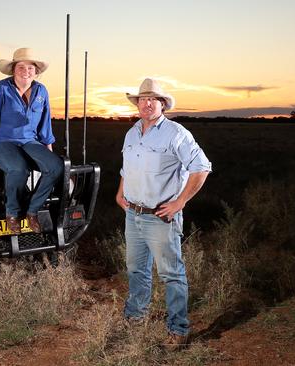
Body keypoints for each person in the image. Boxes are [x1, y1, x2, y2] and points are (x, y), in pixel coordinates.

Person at [115, 78, 212, 349]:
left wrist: (180, 202)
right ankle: (135, 319)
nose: (146, 103)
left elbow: (201, 167)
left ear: (162, 104)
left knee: (171, 274)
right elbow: (127, 168)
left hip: (160, 217)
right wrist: (120, 193)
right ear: (137, 104)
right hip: (132, 214)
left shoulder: (175, 133)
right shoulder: (132, 132)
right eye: (142, 99)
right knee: (136, 270)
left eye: (153, 99)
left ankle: (178, 329)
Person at [0, 48, 63, 235]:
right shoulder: (0, 90)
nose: (26, 71)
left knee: (56, 166)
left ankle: (32, 210)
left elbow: (45, 124)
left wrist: (48, 153)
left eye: (31, 67)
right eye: (21, 66)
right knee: (19, 169)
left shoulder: (41, 91)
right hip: (2, 141)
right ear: (13, 69)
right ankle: (12, 213)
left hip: (30, 141)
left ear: (36, 71)